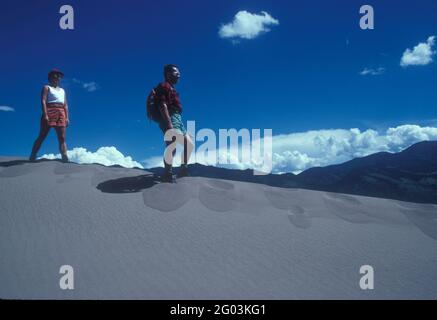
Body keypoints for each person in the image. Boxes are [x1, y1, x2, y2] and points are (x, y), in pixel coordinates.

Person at [154, 64, 194, 183]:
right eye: (176, 73)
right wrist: (169, 124)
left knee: (189, 144)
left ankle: (183, 170)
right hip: (170, 118)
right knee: (172, 145)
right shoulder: (164, 86)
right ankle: (167, 173)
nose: (179, 75)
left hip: (177, 118)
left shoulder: (171, 88)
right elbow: (162, 105)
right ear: (168, 74)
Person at [29, 69, 70, 162]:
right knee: (42, 135)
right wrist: (45, 114)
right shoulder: (47, 87)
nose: (57, 78)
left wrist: (67, 117)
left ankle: (64, 156)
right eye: (55, 76)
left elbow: (65, 104)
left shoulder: (63, 90)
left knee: (62, 137)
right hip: (50, 110)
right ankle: (33, 155)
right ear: (50, 78)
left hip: (61, 112)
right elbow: (43, 101)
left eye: (59, 77)